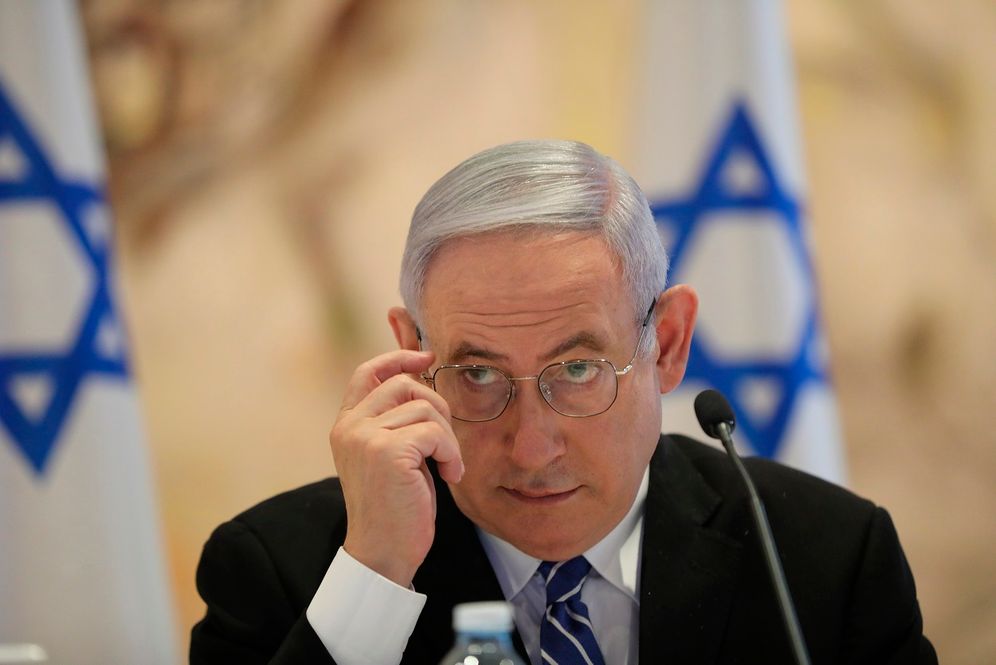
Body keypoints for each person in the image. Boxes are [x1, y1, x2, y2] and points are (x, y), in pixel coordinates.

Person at [190, 140, 936, 664]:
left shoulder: (825, 561)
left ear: (668, 343)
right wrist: (379, 574)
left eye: (577, 368)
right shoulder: (284, 570)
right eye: (478, 374)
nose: (531, 446)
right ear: (411, 357)